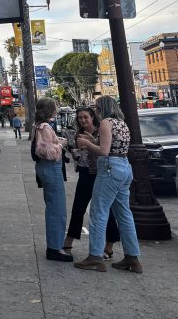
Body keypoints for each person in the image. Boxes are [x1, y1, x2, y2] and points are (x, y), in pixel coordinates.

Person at [74, 96, 143, 273]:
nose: (95, 111)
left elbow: (104, 151)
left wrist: (87, 144)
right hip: (124, 168)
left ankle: (95, 256)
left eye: (96, 108)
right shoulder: (122, 123)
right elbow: (113, 146)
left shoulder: (106, 122)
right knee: (124, 214)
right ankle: (132, 257)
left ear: (102, 108)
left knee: (98, 211)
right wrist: (93, 140)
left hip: (110, 169)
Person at [64, 107, 120, 258]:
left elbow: (104, 151)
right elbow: (79, 155)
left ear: (92, 117)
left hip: (98, 174)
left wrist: (90, 143)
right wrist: (75, 151)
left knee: (104, 210)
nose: (83, 120)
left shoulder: (99, 131)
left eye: (85, 117)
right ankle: (68, 242)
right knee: (78, 208)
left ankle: (109, 246)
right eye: (80, 118)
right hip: (84, 173)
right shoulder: (79, 133)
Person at [32, 97, 73, 262]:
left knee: (53, 208)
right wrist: (61, 145)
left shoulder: (37, 126)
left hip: (44, 169)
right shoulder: (45, 127)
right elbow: (47, 152)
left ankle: (54, 245)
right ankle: (55, 248)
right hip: (50, 168)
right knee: (57, 210)